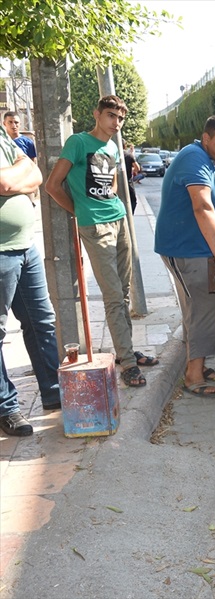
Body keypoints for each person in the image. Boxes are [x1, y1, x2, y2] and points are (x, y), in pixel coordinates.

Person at [46, 95, 158, 388]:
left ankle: (125, 351)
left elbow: (113, 184)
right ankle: (129, 364)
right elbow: (52, 185)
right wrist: (80, 210)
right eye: (111, 116)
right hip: (95, 227)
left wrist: (116, 206)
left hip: (119, 220)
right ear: (97, 114)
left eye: (120, 118)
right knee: (112, 297)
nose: (116, 123)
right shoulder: (78, 142)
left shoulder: (113, 147)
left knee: (123, 293)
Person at [155, 115, 215, 397]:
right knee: (204, 306)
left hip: (199, 247)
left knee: (200, 308)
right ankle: (193, 376)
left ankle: (199, 365)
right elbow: (202, 206)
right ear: (206, 138)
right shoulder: (193, 158)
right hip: (184, 249)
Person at [0, 127, 61, 436]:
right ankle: (6, 407)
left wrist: (19, 175)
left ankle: (54, 392)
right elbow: (6, 181)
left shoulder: (0, 133)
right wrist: (17, 176)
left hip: (25, 244)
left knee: (42, 322)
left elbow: (35, 173)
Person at [123, 143, 139, 213]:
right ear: (124, 146)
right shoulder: (128, 155)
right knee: (132, 200)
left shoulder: (111, 153)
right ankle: (130, 215)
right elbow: (137, 168)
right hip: (127, 182)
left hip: (113, 183)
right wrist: (133, 170)